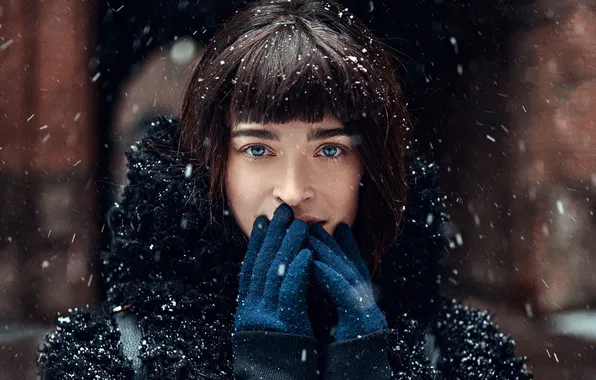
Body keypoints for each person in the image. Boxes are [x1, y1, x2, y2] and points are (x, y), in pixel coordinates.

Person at [38, 1, 532, 379]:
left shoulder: (465, 354)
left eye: (330, 150)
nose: (294, 191)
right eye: (258, 149)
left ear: (371, 166)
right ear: (216, 163)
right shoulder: (111, 356)